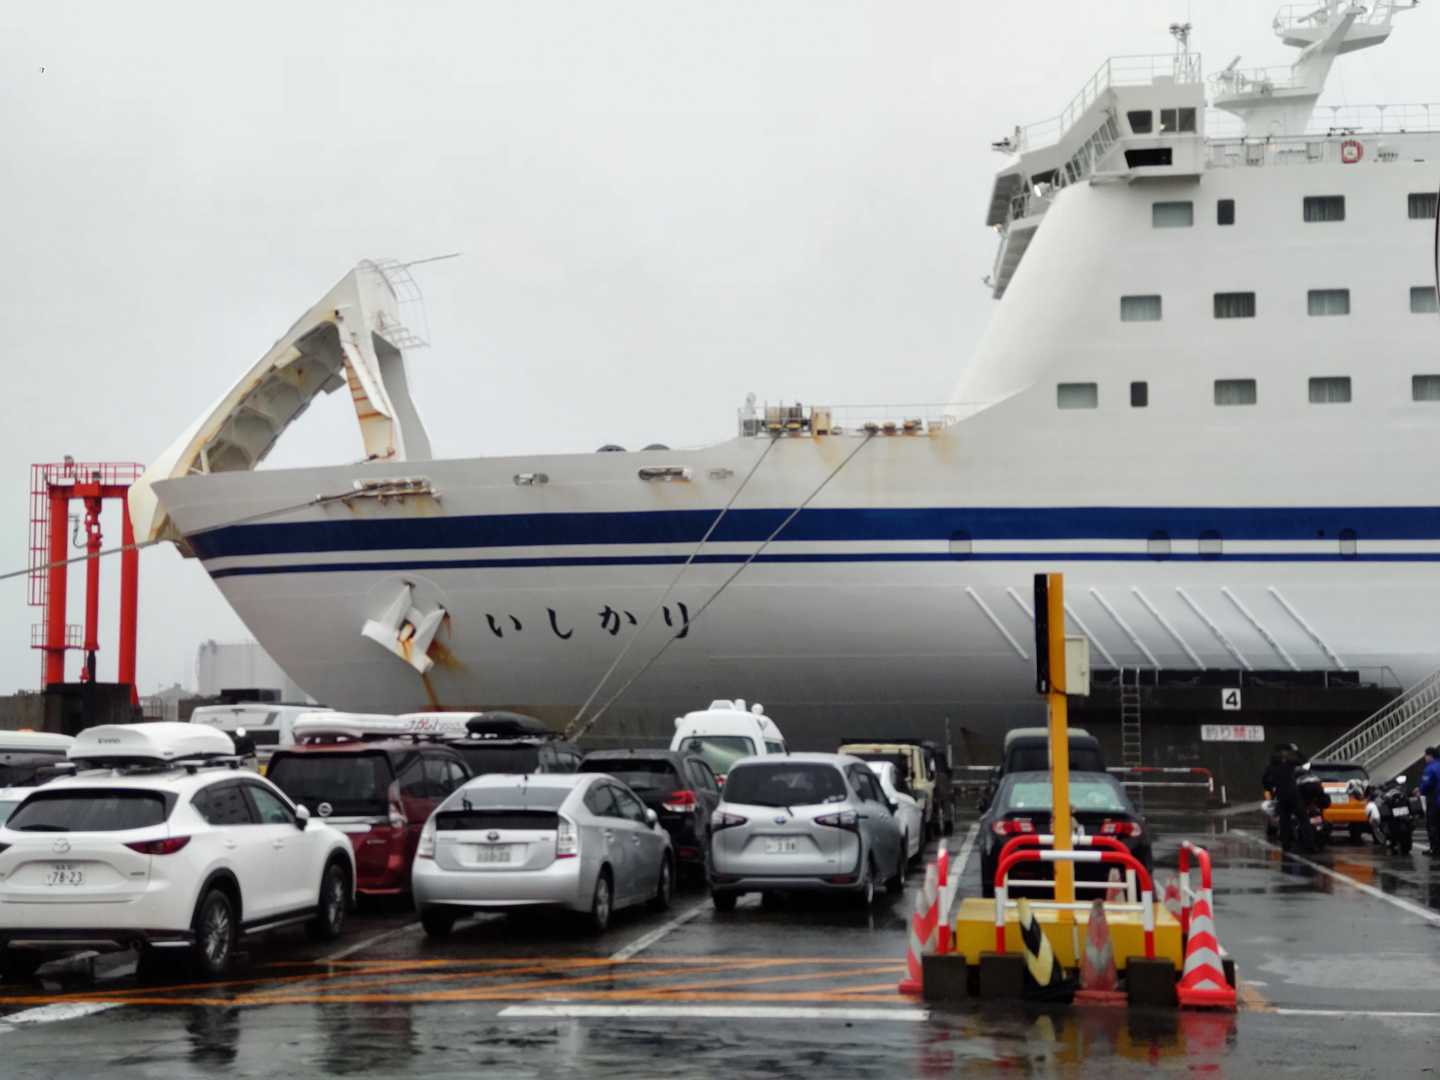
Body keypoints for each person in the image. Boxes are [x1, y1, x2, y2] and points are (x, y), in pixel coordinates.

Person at [1262, 743, 1306, 852]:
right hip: (1292, 794)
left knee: (1284, 820)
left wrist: (1272, 789)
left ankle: (1286, 844)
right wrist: (1297, 751)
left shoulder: (1273, 764)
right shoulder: (1289, 762)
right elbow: (1303, 761)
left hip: (1281, 795)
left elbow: (1265, 779)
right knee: (1302, 818)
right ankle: (1306, 843)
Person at [1418, 747, 1440, 855]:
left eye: (1425, 755)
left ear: (1430, 756)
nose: (1424, 757)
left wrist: (1420, 791)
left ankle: (1435, 848)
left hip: (1434, 800)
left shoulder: (1430, 768)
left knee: (1432, 824)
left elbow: (1426, 784)